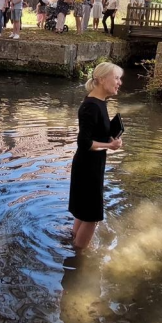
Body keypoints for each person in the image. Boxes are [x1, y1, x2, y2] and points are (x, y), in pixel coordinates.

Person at [68, 62, 124, 250]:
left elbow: (94, 133)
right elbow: (84, 143)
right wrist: (111, 145)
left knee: (84, 212)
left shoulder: (99, 102)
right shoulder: (91, 105)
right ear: (101, 79)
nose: (120, 82)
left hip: (91, 165)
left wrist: (109, 136)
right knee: (92, 217)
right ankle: (80, 258)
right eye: (116, 78)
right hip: (87, 168)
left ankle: (73, 240)